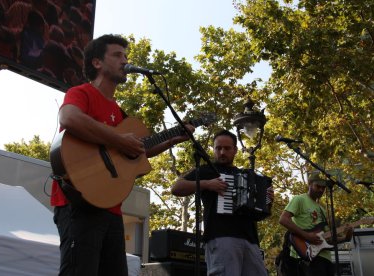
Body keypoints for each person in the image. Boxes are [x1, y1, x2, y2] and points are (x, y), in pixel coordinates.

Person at [51, 34, 194, 275]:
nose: (125, 61)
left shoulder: (119, 112)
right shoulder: (82, 92)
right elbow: (69, 118)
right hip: (78, 202)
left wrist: (172, 139)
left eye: (126, 56)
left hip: (110, 206)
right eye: (117, 55)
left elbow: (137, 151)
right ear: (97, 62)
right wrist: (118, 139)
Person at [171, 129, 273, 276]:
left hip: (250, 240)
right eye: (218, 148)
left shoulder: (246, 175)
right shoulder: (207, 170)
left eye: (227, 148)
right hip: (221, 237)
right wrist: (207, 184)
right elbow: (176, 188)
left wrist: (267, 198)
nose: (222, 152)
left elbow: (258, 209)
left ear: (235, 150)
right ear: (213, 149)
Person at [279, 172, 353, 276]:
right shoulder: (299, 199)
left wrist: (346, 237)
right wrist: (306, 236)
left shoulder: (322, 209)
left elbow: (327, 240)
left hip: (326, 258)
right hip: (309, 257)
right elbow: (283, 219)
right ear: (309, 184)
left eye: (323, 187)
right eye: (318, 186)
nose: (321, 190)